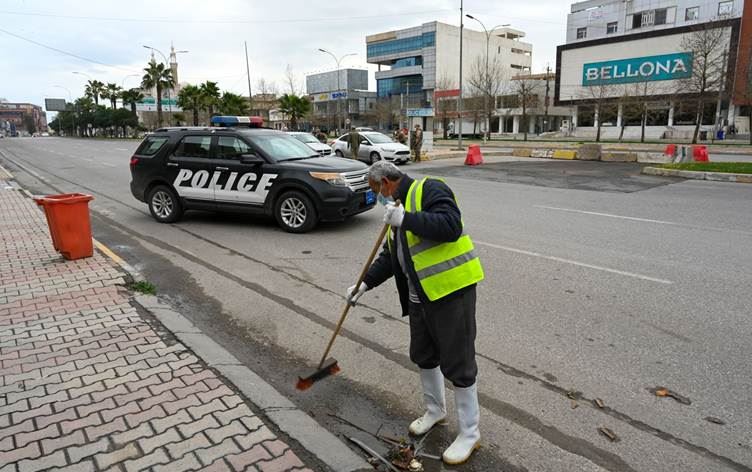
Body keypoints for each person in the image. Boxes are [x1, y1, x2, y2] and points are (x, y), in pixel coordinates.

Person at [346, 161, 484, 465]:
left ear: (386, 182)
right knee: (424, 354)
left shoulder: (429, 189)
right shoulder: (395, 209)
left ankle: (470, 433)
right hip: (420, 298)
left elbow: (450, 226)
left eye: (375, 190)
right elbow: (391, 256)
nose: (377, 197)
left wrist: (406, 218)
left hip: (450, 292)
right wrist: (364, 284)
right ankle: (435, 411)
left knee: (458, 362)